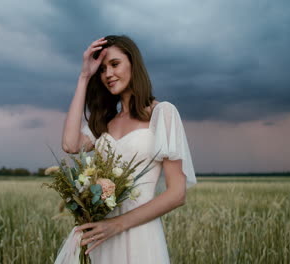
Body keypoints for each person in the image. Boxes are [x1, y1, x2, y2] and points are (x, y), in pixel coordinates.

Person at [61, 35, 197, 263]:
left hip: (139, 235)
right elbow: (70, 145)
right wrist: (84, 76)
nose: (108, 75)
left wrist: (116, 225)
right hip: (100, 236)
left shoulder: (163, 113)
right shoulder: (105, 121)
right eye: (102, 69)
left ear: (133, 63)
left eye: (115, 64)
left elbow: (177, 194)